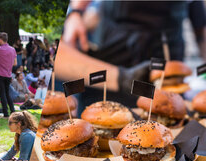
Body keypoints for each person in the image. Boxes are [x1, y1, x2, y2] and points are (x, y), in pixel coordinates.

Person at [57, 1, 206, 113]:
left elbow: (201, 26)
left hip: (165, 56)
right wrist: (75, 12)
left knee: (166, 112)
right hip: (113, 57)